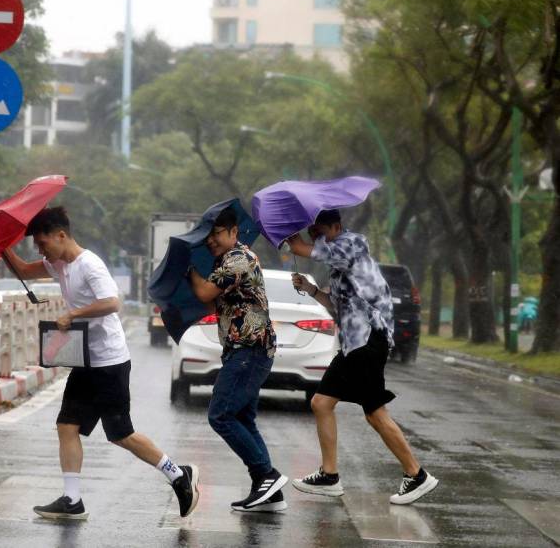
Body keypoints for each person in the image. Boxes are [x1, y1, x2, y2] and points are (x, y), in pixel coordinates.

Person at [5, 206, 199, 520]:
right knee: (67, 426)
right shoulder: (58, 265)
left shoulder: (89, 264)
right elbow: (24, 271)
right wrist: (1, 247)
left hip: (109, 362)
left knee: (121, 433)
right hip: (85, 361)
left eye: (43, 244)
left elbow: (112, 302)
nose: (41, 251)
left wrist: (73, 314)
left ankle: (178, 474)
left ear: (61, 235)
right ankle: (72, 499)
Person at [285, 209, 439, 505]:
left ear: (336, 227)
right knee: (322, 403)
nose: (316, 237)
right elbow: (338, 306)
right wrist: (311, 290)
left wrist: (292, 235)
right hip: (355, 343)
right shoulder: (339, 261)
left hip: (369, 339)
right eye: (313, 232)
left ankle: (416, 474)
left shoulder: (351, 244)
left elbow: (303, 249)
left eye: (320, 231)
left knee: (374, 412)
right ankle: (329, 475)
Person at [186, 206, 288, 512]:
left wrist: (189, 268)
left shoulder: (239, 259)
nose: (211, 241)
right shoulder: (227, 259)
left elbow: (205, 293)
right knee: (243, 417)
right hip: (245, 350)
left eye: (217, 234)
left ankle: (267, 475)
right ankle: (268, 491)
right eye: (209, 236)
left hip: (249, 349)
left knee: (221, 415)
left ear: (233, 232)